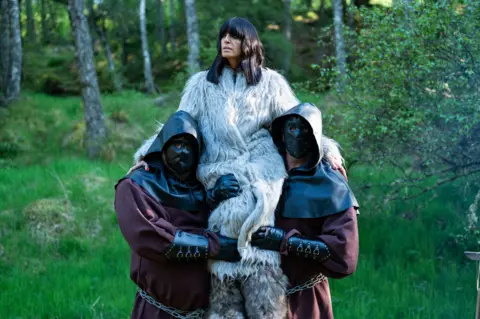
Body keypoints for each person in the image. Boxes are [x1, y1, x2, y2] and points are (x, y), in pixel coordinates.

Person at [133, 17, 345, 319]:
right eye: (223, 36)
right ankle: (226, 306)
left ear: (250, 43)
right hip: (218, 167)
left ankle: (265, 306)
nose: (226, 42)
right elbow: (179, 124)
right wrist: (147, 154)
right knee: (227, 224)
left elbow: (299, 119)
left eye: (234, 36)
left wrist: (327, 150)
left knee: (260, 238)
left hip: (262, 167)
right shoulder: (200, 85)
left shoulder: (271, 83)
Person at [115, 111, 242, 319]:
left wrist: (213, 196)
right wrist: (217, 246)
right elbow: (153, 239)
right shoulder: (136, 186)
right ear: (163, 145)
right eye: (177, 144)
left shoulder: (203, 185)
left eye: (189, 145)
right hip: (158, 312)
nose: (183, 151)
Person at [251, 102, 359, 319]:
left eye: (305, 129)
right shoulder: (258, 171)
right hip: (256, 296)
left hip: (305, 300)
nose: (298, 135)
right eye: (292, 128)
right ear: (281, 132)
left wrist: (287, 242)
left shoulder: (330, 183)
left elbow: (344, 256)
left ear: (316, 135)